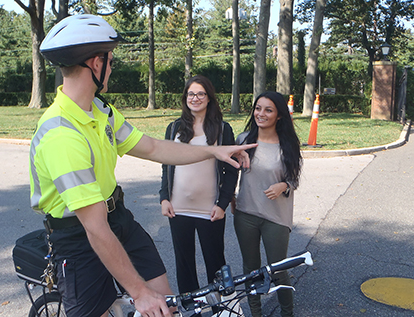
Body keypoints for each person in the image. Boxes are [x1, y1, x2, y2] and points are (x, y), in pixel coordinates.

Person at [30, 14, 256, 317]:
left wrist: (215, 151)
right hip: (78, 235)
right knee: (132, 302)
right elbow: (94, 228)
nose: (111, 68)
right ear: (96, 63)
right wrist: (139, 293)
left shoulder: (100, 110)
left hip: (118, 219)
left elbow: (153, 147)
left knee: (165, 304)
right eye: (111, 62)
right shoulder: (62, 135)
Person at [159, 75, 237, 293]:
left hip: (210, 209)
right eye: (191, 94)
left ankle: (219, 310)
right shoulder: (174, 128)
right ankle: (190, 310)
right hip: (178, 208)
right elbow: (166, 166)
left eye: (201, 94)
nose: (195, 98)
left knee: (215, 265)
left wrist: (222, 204)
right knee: (184, 266)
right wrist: (164, 198)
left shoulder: (223, 129)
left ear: (209, 98)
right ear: (185, 98)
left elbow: (231, 171)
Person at [232, 91, 302, 317]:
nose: (261, 114)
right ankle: (256, 313)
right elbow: (228, 174)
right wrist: (230, 199)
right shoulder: (243, 140)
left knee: (279, 269)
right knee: (250, 271)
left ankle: (287, 313)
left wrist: (283, 186)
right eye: (258, 108)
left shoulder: (288, 145)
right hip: (245, 214)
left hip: (276, 217)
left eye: (268, 110)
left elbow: (294, 180)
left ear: (279, 115)